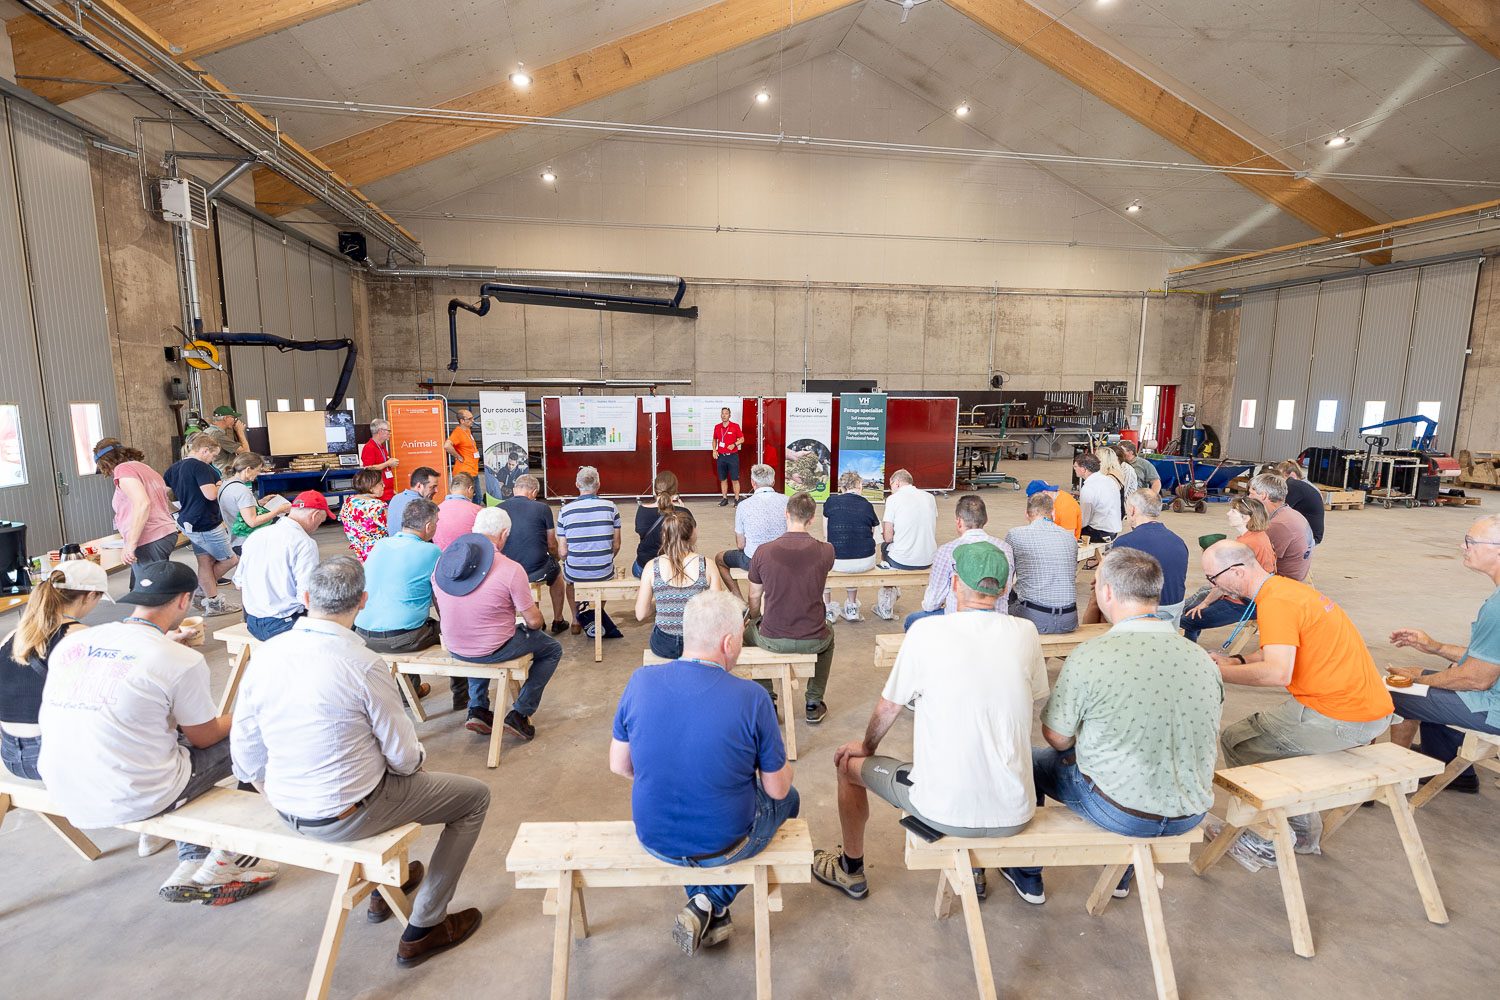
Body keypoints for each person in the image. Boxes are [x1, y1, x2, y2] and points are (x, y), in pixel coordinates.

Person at [232, 555, 489, 966]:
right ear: (363, 601)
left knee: (367, 761)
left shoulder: (266, 653)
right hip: (346, 814)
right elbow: (404, 758)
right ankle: (426, 926)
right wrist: (413, 764)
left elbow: (245, 753)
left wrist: (281, 793)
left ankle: (386, 889)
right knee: (473, 798)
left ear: (305, 597)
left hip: (285, 806)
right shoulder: (364, 664)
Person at [813, 543, 1047, 901]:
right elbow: (1032, 698)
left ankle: (850, 869)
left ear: (954, 583)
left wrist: (866, 746)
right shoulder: (1026, 632)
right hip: (1015, 811)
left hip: (944, 810)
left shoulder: (926, 632)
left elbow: (889, 708)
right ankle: (978, 869)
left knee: (848, 766)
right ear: (1004, 589)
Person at [38, 560, 279, 903]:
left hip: (64, 786)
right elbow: (205, 736)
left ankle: (193, 858)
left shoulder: (76, 642)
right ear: (184, 600)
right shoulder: (178, 659)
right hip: (133, 794)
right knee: (256, 733)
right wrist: (250, 712)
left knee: (163, 738)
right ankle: (230, 856)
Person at [1001, 547, 1221, 904]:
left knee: (1026, 760)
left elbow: (1057, 737)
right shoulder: (1203, 659)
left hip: (1122, 813)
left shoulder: (1091, 655)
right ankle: (1121, 875)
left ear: (1106, 592)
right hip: (1191, 810)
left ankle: (1027, 874)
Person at [610, 590, 797, 955]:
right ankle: (711, 900)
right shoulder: (753, 697)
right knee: (790, 799)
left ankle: (709, 910)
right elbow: (776, 790)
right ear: (728, 642)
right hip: (723, 844)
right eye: (740, 639)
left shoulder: (640, 680)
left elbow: (619, 765)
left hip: (654, 838)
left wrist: (671, 774)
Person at [1202, 540, 1393, 852]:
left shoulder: (1275, 603)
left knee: (1239, 741)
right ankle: (1295, 827)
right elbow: (1275, 650)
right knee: (1259, 738)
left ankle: (1276, 837)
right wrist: (1235, 661)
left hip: (1341, 716)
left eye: (1213, 578)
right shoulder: (1285, 591)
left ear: (1237, 571)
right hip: (1365, 706)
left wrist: (1214, 673)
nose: (1214, 586)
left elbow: (1277, 673)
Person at [1385, 516, 1500, 794]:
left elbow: (1477, 679)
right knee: (1427, 676)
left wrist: (1418, 682)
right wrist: (1435, 647)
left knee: (1391, 692)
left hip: (1493, 707)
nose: (1463, 546)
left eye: (1471, 542)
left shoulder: (1497, 608)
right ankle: (1446, 763)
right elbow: (1488, 657)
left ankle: (1388, 779)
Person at [433, 508, 563, 742]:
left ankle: (478, 708)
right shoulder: (510, 568)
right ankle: (520, 713)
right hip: (492, 647)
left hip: (454, 645)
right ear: (504, 534)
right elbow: (534, 622)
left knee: (477, 631)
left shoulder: (444, 564)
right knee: (552, 649)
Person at [1, 561, 108, 780]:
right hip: (54, 759)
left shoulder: (14, 635)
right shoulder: (82, 636)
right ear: (90, 595)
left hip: (10, 754)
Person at [744, 491, 836, 724]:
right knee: (830, 634)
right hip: (814, 637)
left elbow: (754, 596)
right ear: (812, 519)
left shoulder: (763, 551)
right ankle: (814, 702)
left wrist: (755, 619)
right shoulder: (827, 551)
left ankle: (768, 699)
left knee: (747, 635)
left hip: (772, 637)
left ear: (786, 514)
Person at [354, 497, 440, 704]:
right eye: (437, 522)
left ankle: (411, 691)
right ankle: (463, 696)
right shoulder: (432, 551)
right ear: (428, 526)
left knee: (408, 622)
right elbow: (442, 597)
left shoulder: (380, 545)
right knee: (448, 631)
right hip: (400, 639)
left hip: (362, 634)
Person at [162, 432, 240, 616]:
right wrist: (222, 485)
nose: (213, 459)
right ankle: (200, 590)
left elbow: (161, 494)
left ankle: (212, 602)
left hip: (188, 521)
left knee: (205, 561)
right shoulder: (200, 467)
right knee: (230, 560)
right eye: (213, 455)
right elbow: (211, 495)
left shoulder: (174, 468)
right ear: (205, 450)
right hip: (206, 523)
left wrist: (176, 512)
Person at [906, 494, 1012, 630]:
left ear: (959, 521)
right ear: (986, 520)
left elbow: (932, 602)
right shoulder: (1005, 549)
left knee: (912, 620)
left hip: (957, 621)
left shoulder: (947, 551)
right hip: (998, 620)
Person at [236, 491, 329, 640]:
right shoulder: (304, 543)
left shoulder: (256, 535)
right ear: (315, 516)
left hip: (253, 622)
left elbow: (239, 583)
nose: (318, 526)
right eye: (321, 522)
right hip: (284, 625)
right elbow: (306, 596)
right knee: (345, 620)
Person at [1181, 497, 1276, 644]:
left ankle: (1188, 649)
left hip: (1245, 603)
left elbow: (1223, 584)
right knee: (1194, 606)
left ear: (1246, 518)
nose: (1228, 513)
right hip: (1257, 597)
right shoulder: (1259, 536)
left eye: (1233, 511)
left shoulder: (1246, 543)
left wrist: (1205, 603)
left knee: (1188, 619)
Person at [93, 438, 180, 588]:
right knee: (141, 586)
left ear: (105, 463)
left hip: (149, 538)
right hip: (163, 533)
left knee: (151, 591)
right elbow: (162, 500)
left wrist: (130, 544)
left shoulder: (123, 470)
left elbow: (143, 504)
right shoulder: (145, 468)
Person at [635, 513, 721, 659]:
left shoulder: (652, 566)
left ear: (664, 535)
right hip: (699, 643)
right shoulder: (707, 565)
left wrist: (661, 603)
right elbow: (718, 611)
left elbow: (640, 614)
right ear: (692, 533)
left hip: (664, 644)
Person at [558, 466, 623, 638]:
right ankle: (596, 615)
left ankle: (576, 620)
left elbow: (563, 552)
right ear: (598, 484)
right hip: (603, 569)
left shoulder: (564, 511)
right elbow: (616, 545)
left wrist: (571, 560)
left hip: (575, 570)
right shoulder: (611, 508)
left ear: (576, 484)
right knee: (604, 575)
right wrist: (605, 558)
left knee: (570, 581)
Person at [500, 474, 569, 633]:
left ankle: (536, 621)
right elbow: (552, 544)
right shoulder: (542, 508)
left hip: (509, 568)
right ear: (534, 492)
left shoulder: (498, 508)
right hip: (536, 568)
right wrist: (557, 558)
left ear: (514, 490)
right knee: (557, 574)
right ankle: (558, 620)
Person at [1005, 491, 1081, 634]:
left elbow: (1006, 580)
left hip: (1035, 616)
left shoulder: (1015, 535)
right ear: (1053, 513)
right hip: (1069, 618)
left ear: (1027, 514)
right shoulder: (1070, 538)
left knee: (1005, 601)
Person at [1110, 491, 1189, 626]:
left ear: (1133, 510)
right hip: (1173, 617)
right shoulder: (1179, 542)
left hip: (1141, 616)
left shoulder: (1125, 543)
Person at [715, 463, 788, 598]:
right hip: (783, 558)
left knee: (720, 558)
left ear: (752, 482)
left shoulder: (743, 506)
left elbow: (740, 545)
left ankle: (740, 601)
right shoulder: (787, 501)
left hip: (753, 560)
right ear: (773, 482)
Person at [876, 469, 937, 621]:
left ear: (896, 483)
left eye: (891, 486)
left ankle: (886, 604)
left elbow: (888, 537)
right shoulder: (930, 497)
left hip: (902, 560)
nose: (891, 490)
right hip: (928, 558)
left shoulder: (893, 499)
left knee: (884, 547)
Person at [821, 470, 881, 623]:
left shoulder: (831, 502)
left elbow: (826, 537)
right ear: (860, 486)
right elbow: (873, 533)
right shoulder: (867, 505)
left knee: (822, 561)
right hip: (865, 560)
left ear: (842, 488)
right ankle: (852, 607)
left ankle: (827, 609)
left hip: (837, 561)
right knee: (855, 547)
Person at [1248, 472, 1313, 581]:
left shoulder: (1278, 524)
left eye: (1251, 494)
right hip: (1296, 574)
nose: (1249, 497)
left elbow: (1255, 558)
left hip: (1282, 581)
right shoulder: (1290, 513)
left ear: (1263, 495)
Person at [633, 470, 694, 578]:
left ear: (655, 489)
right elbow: (691, 540)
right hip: (674, 567)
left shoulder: (641, 510)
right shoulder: (683, 513)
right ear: (675, 491)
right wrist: (683, 511)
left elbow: (641, 532)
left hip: (645, 567)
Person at [218, 453, 280, 556]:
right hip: (247, 541)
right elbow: (252, 522)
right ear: (247, 469)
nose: (258, 474)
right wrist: (279, 510)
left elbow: (238, 507)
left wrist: (259, 502)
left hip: (235, 540)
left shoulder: (226, 484)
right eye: (257, 470)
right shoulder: (242, 490)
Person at [339, 468, 389, 561]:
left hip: (361, 553)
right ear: (371, 487)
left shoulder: (348, 502)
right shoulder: (378, 506)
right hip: (382, 553)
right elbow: (392, 528)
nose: (384, 485)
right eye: (381, 483)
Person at [1274, 460, 1326, 547]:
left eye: (1280, 479)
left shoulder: (1294, 487)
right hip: (1305, 530)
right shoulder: (1302, 486)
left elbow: (1280, 510)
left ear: (1292, 475)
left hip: (1309, 536)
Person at [1075, 453, 1121, 543]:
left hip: (1100, 533)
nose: (1074, 469)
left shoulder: (1088, 488)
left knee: (1066, 532)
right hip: (1113, 530)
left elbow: (1084, 520)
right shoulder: (1109, 480)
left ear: (1084, 469)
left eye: (1076, 466)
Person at [432, 472, 482, 551]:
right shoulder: (478, 511)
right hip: (469, 556)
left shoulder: (435, 510)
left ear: (451, 490)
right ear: (470, 489)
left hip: (441, 556)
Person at [386, 466, 440, 535]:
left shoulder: (395, 498)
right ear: (419, 486)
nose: (436, 490)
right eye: (433, 487)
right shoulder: (422, 506)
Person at [444, 409, 480, 502]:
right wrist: (459, 457)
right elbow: (447, 445)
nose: (473, 420)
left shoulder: (467, 431)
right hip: (465, 472)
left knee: (476, 498)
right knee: (475, 499)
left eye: (472, 418)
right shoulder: (458, 433)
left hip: (472, 470)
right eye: (470, 419)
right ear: (462, 421)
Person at [201, 405, 250, 474]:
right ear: (226, 418)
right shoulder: (217, 435)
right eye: (233, 418)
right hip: (224, 475)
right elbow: (245, 451)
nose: (235, 421)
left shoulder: (208, 431)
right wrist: (240, 431)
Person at [361, 417, 399, 502]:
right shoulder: (369, 447)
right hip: (380, 495)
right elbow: (368, 468)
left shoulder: (381, 446)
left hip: (388, 492)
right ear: (380, 431)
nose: (390, 433)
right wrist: (388, 463)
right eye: (388, 431)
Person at [713, 407, 745, 506]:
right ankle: (724, 499)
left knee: (735, 479)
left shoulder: (735, 426)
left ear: (729, 415)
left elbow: (742, 439)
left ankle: (736, 499)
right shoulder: (717, 427)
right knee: (723, 479)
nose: (724, 415)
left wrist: (734, 444)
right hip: (721, 456)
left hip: (732, 456)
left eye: (726, 413)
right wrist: (714, 449)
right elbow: (714, 439)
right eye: (722, 413)